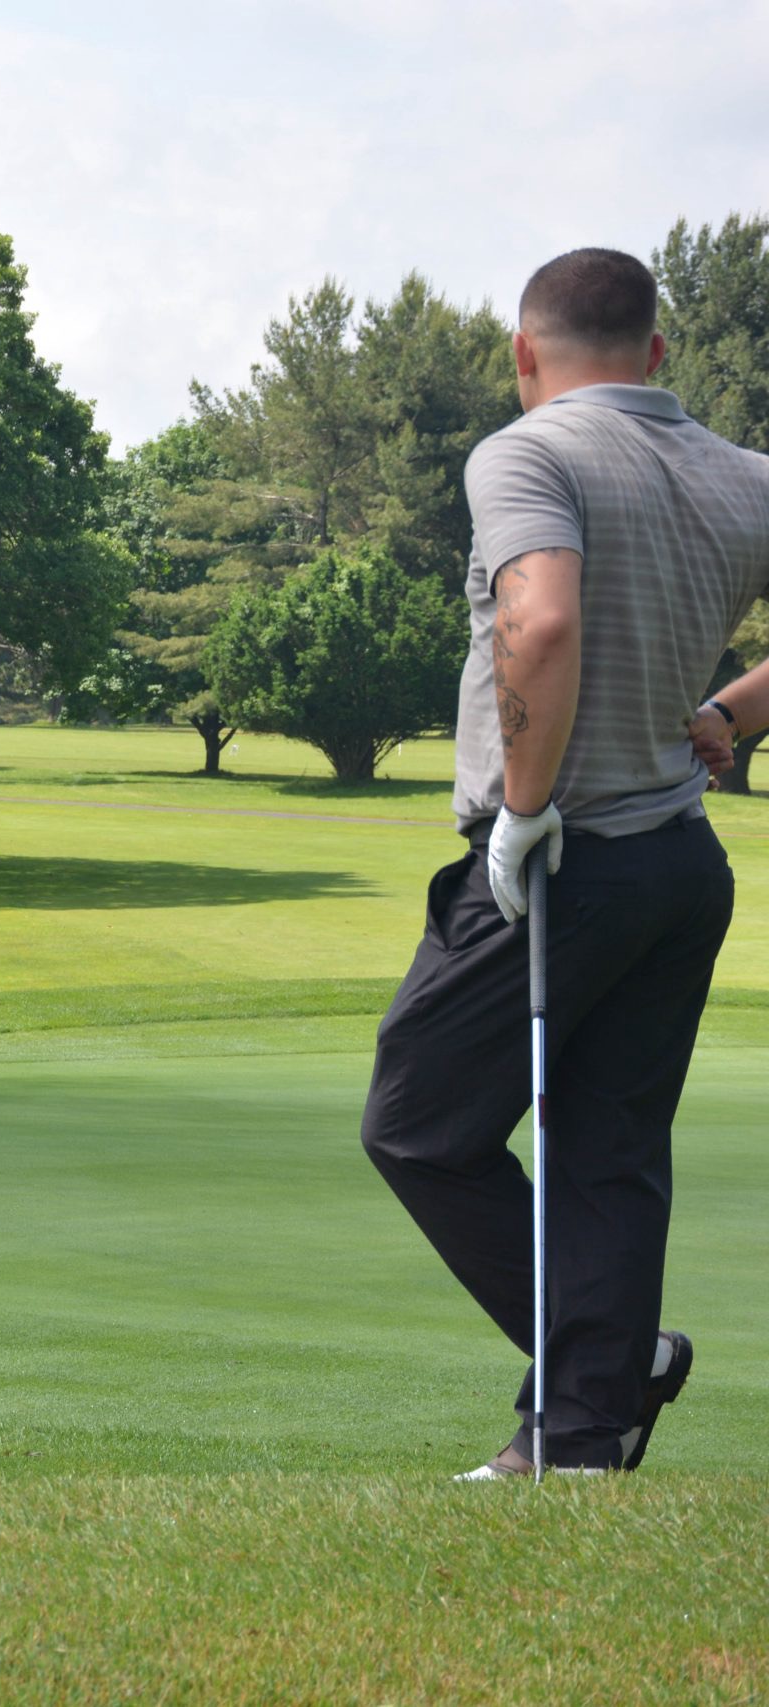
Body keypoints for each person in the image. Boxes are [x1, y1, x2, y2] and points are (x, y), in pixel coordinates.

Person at [359, 248, 769, 1478]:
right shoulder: (747, 473)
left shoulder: (524, 453)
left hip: (558, 862)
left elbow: (537, 620)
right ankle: (582, 1437)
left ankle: (617, 1364)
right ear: (657, 353)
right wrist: (732, 713)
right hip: (679, 868)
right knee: (608, 1153)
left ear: (523, 353)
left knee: (418, 1124)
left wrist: (523, 809)